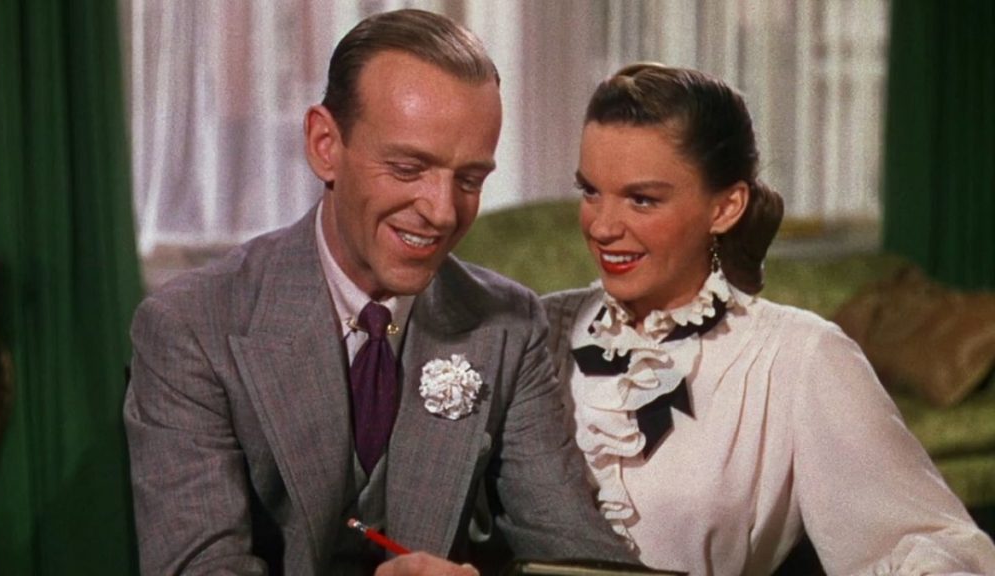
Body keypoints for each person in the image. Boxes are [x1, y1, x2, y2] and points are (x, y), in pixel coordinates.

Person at [124, 10, 635, 575]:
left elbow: (577, 557)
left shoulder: (508, 325)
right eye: (408, 168)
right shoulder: (193, 325)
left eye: (469, 180)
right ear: (324, 145)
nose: (442, 212)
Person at [542, 63, 995, 575]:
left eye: (642, 199)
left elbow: (918, 543)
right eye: (590, 191)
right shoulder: (536, 332)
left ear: (726, 208)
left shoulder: (797, 357)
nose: (602, 226)